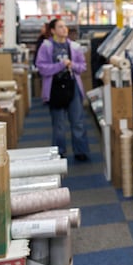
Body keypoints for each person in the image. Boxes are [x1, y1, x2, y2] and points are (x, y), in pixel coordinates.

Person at [35, 18, 90, 161]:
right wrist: (60, 66)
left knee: (77, 122)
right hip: (55, 89)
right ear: (52, 30)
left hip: (72, 87)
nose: (64, 29)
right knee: (58, 124)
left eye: (65, 26)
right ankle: (59, 152)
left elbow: (83, 67)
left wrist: (72, 65)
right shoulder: (46, 47)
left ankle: (81, 152)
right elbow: (42, 68)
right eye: (60, 27)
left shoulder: (75, 47)